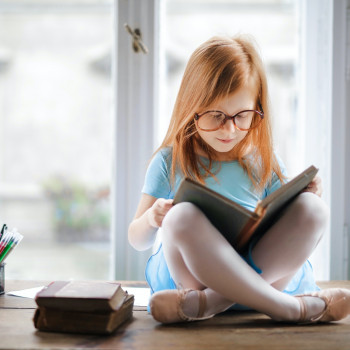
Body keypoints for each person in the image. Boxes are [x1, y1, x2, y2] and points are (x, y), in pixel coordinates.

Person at [128, 35, 350, 324]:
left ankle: (211, 304)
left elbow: (286, 222)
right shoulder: (170, 161)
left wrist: (306, 194)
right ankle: (289, 309)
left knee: (314, 208)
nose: (230, 129)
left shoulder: (263, 159)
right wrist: (152, 219)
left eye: (242, 115)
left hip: (255, 279)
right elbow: (137, 239)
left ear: (257, 108)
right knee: (179, 217)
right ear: (191, 107)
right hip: (196, 279)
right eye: (216, 115)